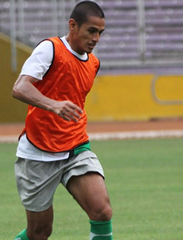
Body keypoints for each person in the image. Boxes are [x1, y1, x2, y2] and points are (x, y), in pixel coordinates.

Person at [12, 1, 112, 240]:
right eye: (91, 31)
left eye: (100, 33)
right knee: (40, 232)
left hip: (76, 148)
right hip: (38, 152)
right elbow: (19, 88)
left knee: (102, 211)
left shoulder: (93, 63)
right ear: (73, 25)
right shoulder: (51, 49)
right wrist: (53, 104)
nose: (96, 38)